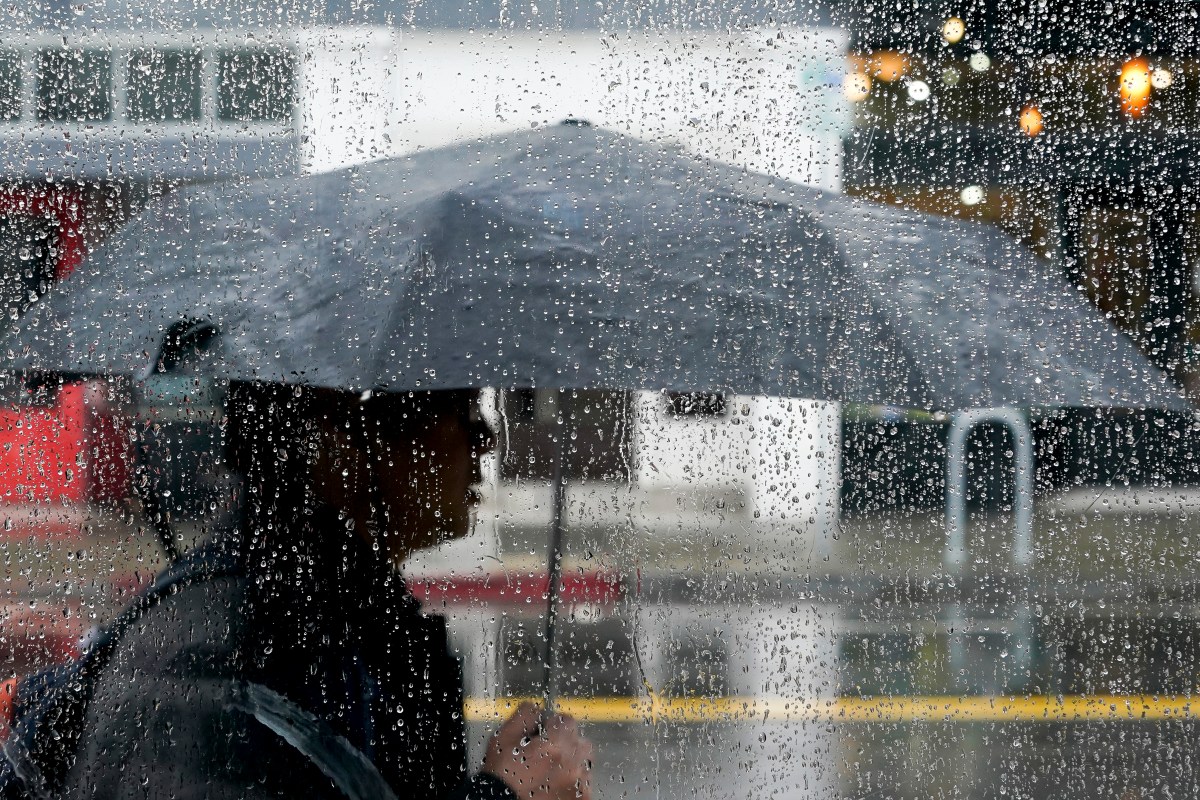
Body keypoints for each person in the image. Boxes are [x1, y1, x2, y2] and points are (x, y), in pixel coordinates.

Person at [58, 382, 594, 799]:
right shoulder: (240, 648)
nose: (485, 439)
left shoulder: (353, 616)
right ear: (347, 435)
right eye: (458, 409)